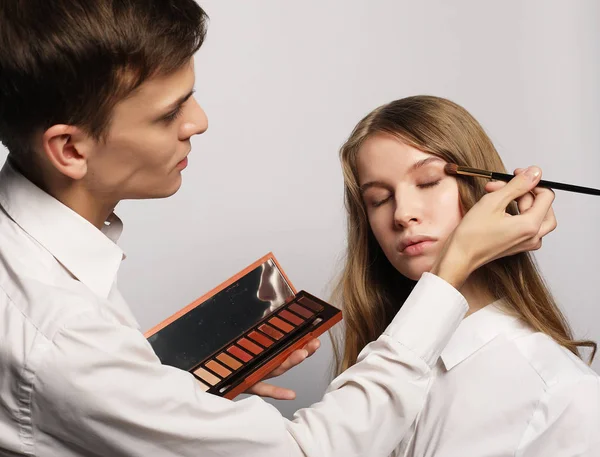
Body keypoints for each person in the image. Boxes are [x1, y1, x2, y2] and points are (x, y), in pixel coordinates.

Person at [0, 2, 556, 456]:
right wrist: (452, 271)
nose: (199, 122)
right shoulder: (58, 331)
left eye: (429, 182)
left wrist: (178, 405)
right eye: (169, 114)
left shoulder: (555, 393)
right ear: (70, 149)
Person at [332, 95, 600, 456]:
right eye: (379, 199)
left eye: (427, 182)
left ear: (488, 190)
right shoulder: (375, 369)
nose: (402, 213)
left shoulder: (563, 395)